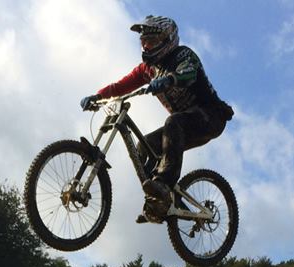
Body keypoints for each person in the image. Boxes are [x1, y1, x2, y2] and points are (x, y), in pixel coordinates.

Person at [80, 15, 234, 222]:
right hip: (184, 124)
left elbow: (188, 73)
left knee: (174, 122)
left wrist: (170, 79)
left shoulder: (183, 55)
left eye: (151, 41)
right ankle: (161, 203)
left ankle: (163, 183)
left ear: (167, 39)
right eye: (143, 41)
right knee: (145, 146)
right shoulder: (147, 70)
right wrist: (98, 96)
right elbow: (121, 86)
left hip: (210, 117)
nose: (146, 45)